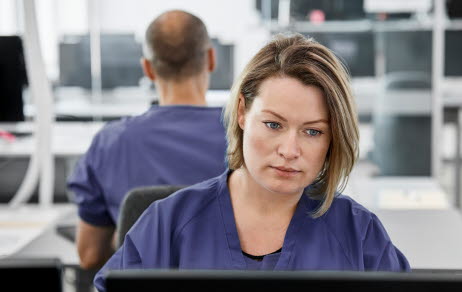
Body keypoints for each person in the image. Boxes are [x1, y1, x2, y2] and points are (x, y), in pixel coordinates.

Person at [93, 32, 410, 292]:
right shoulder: (169, 225)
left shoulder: (359, 234)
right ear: (242, 112)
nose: (289, 150)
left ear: (332, 140)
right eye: (273, 125)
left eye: (312, 131)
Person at [67, 10, 227, 270]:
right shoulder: (249, 137)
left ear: (148, 69)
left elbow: (90, 256)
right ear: (211, 59)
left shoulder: (110, 143)